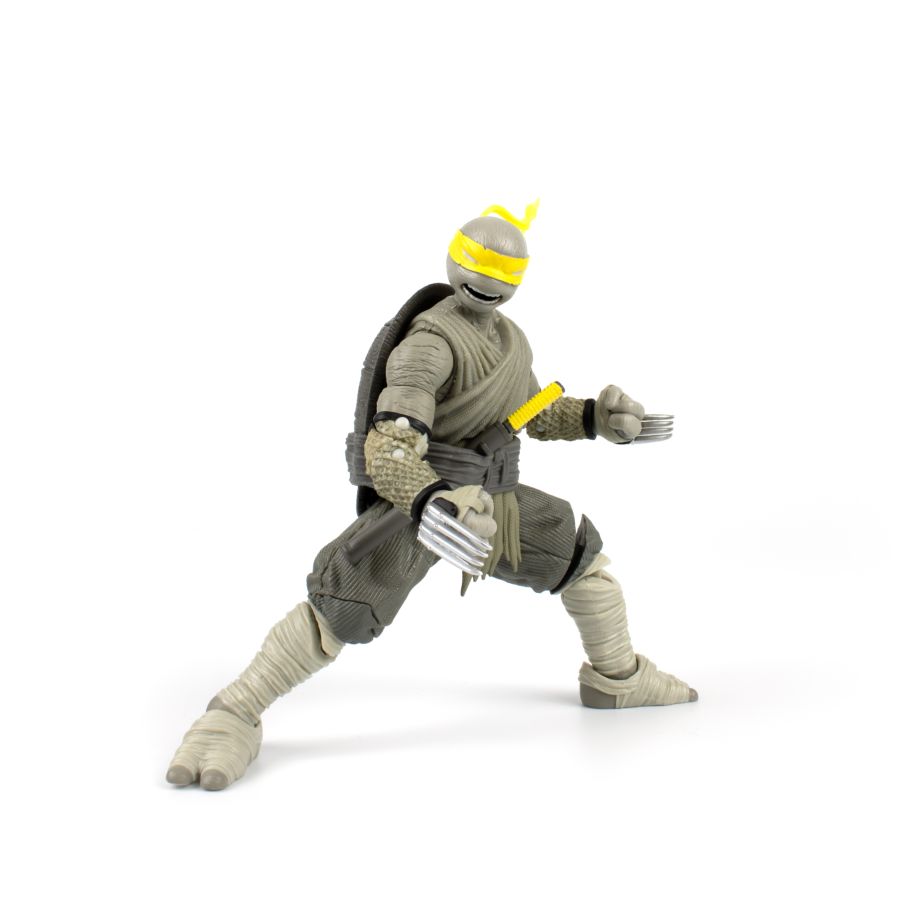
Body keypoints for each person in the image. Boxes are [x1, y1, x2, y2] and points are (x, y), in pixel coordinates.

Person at [166, 202, 696, 791]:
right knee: (339, 606)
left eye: (505, 270)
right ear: (454, 263)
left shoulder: (511, 341)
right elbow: (389, 444)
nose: (491, 280)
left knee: (581, 562)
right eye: (481, 264)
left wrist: (596, 418)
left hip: (495, 500)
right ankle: (233, 714)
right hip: (425, 507)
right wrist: (429, 502)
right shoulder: (430, 344)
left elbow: (532, 413)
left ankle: (617, 678)